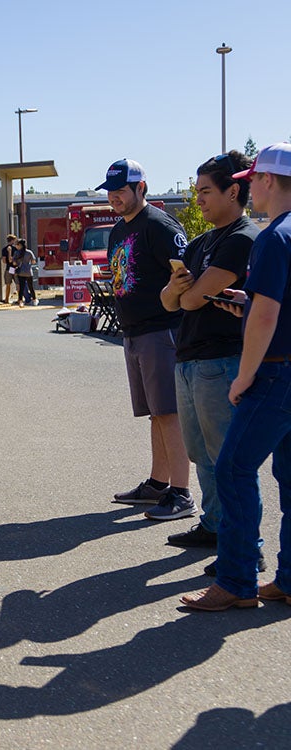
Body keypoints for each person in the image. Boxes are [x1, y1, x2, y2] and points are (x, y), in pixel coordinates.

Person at [181, 142, 291, 611]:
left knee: (232, 468)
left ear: (267, 180)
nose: (251, 192)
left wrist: (244, 377)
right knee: (288, 476)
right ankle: (287, 578)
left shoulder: (273, 236)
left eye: (252, 182)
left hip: (273, 372)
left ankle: (237, 580)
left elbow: (267, 316)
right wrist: (244, 303)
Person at [159, 151, 259, 554]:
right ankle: (215, 525)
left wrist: (183, 292)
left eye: (205, 191)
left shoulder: (243, 238)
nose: (197, 198)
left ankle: (242, 545)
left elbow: (192, 300)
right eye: (196, 190)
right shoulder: (201, 242)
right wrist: (179, 290)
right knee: (202, 454)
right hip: (189, 361)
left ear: (233, 191)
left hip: (221, 361)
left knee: (226, 460)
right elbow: (169, 300)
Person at [99, 158, 192, 520]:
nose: (114, 197)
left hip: (162, 330)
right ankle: (158, 484)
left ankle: (182, 494)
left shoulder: (159, 225)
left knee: (169, 412)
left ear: (141, 188)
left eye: (121, 190)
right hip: (135, 332)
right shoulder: (119, 229)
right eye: (110, 191)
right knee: (156, 413)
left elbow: (185, 275)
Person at [13, 238, 37, 307]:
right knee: (31, 287)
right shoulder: (29, 252)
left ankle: (20, 301)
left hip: (21, 272)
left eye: (17, 245)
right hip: (29, 272)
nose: (16, 246)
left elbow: (14, 263)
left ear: (20, 245)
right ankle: (34, 300)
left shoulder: (17, 253)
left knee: (21, 287)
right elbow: (33, 261)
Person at [1, 234, 17, 304]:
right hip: (15, 268)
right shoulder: (15, 249)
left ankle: (6, 299)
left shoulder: (4, 249)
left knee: (8, 284)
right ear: (13, 240)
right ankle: (20, 298)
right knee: (18, 283)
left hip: (8, 268)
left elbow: (4, 261)